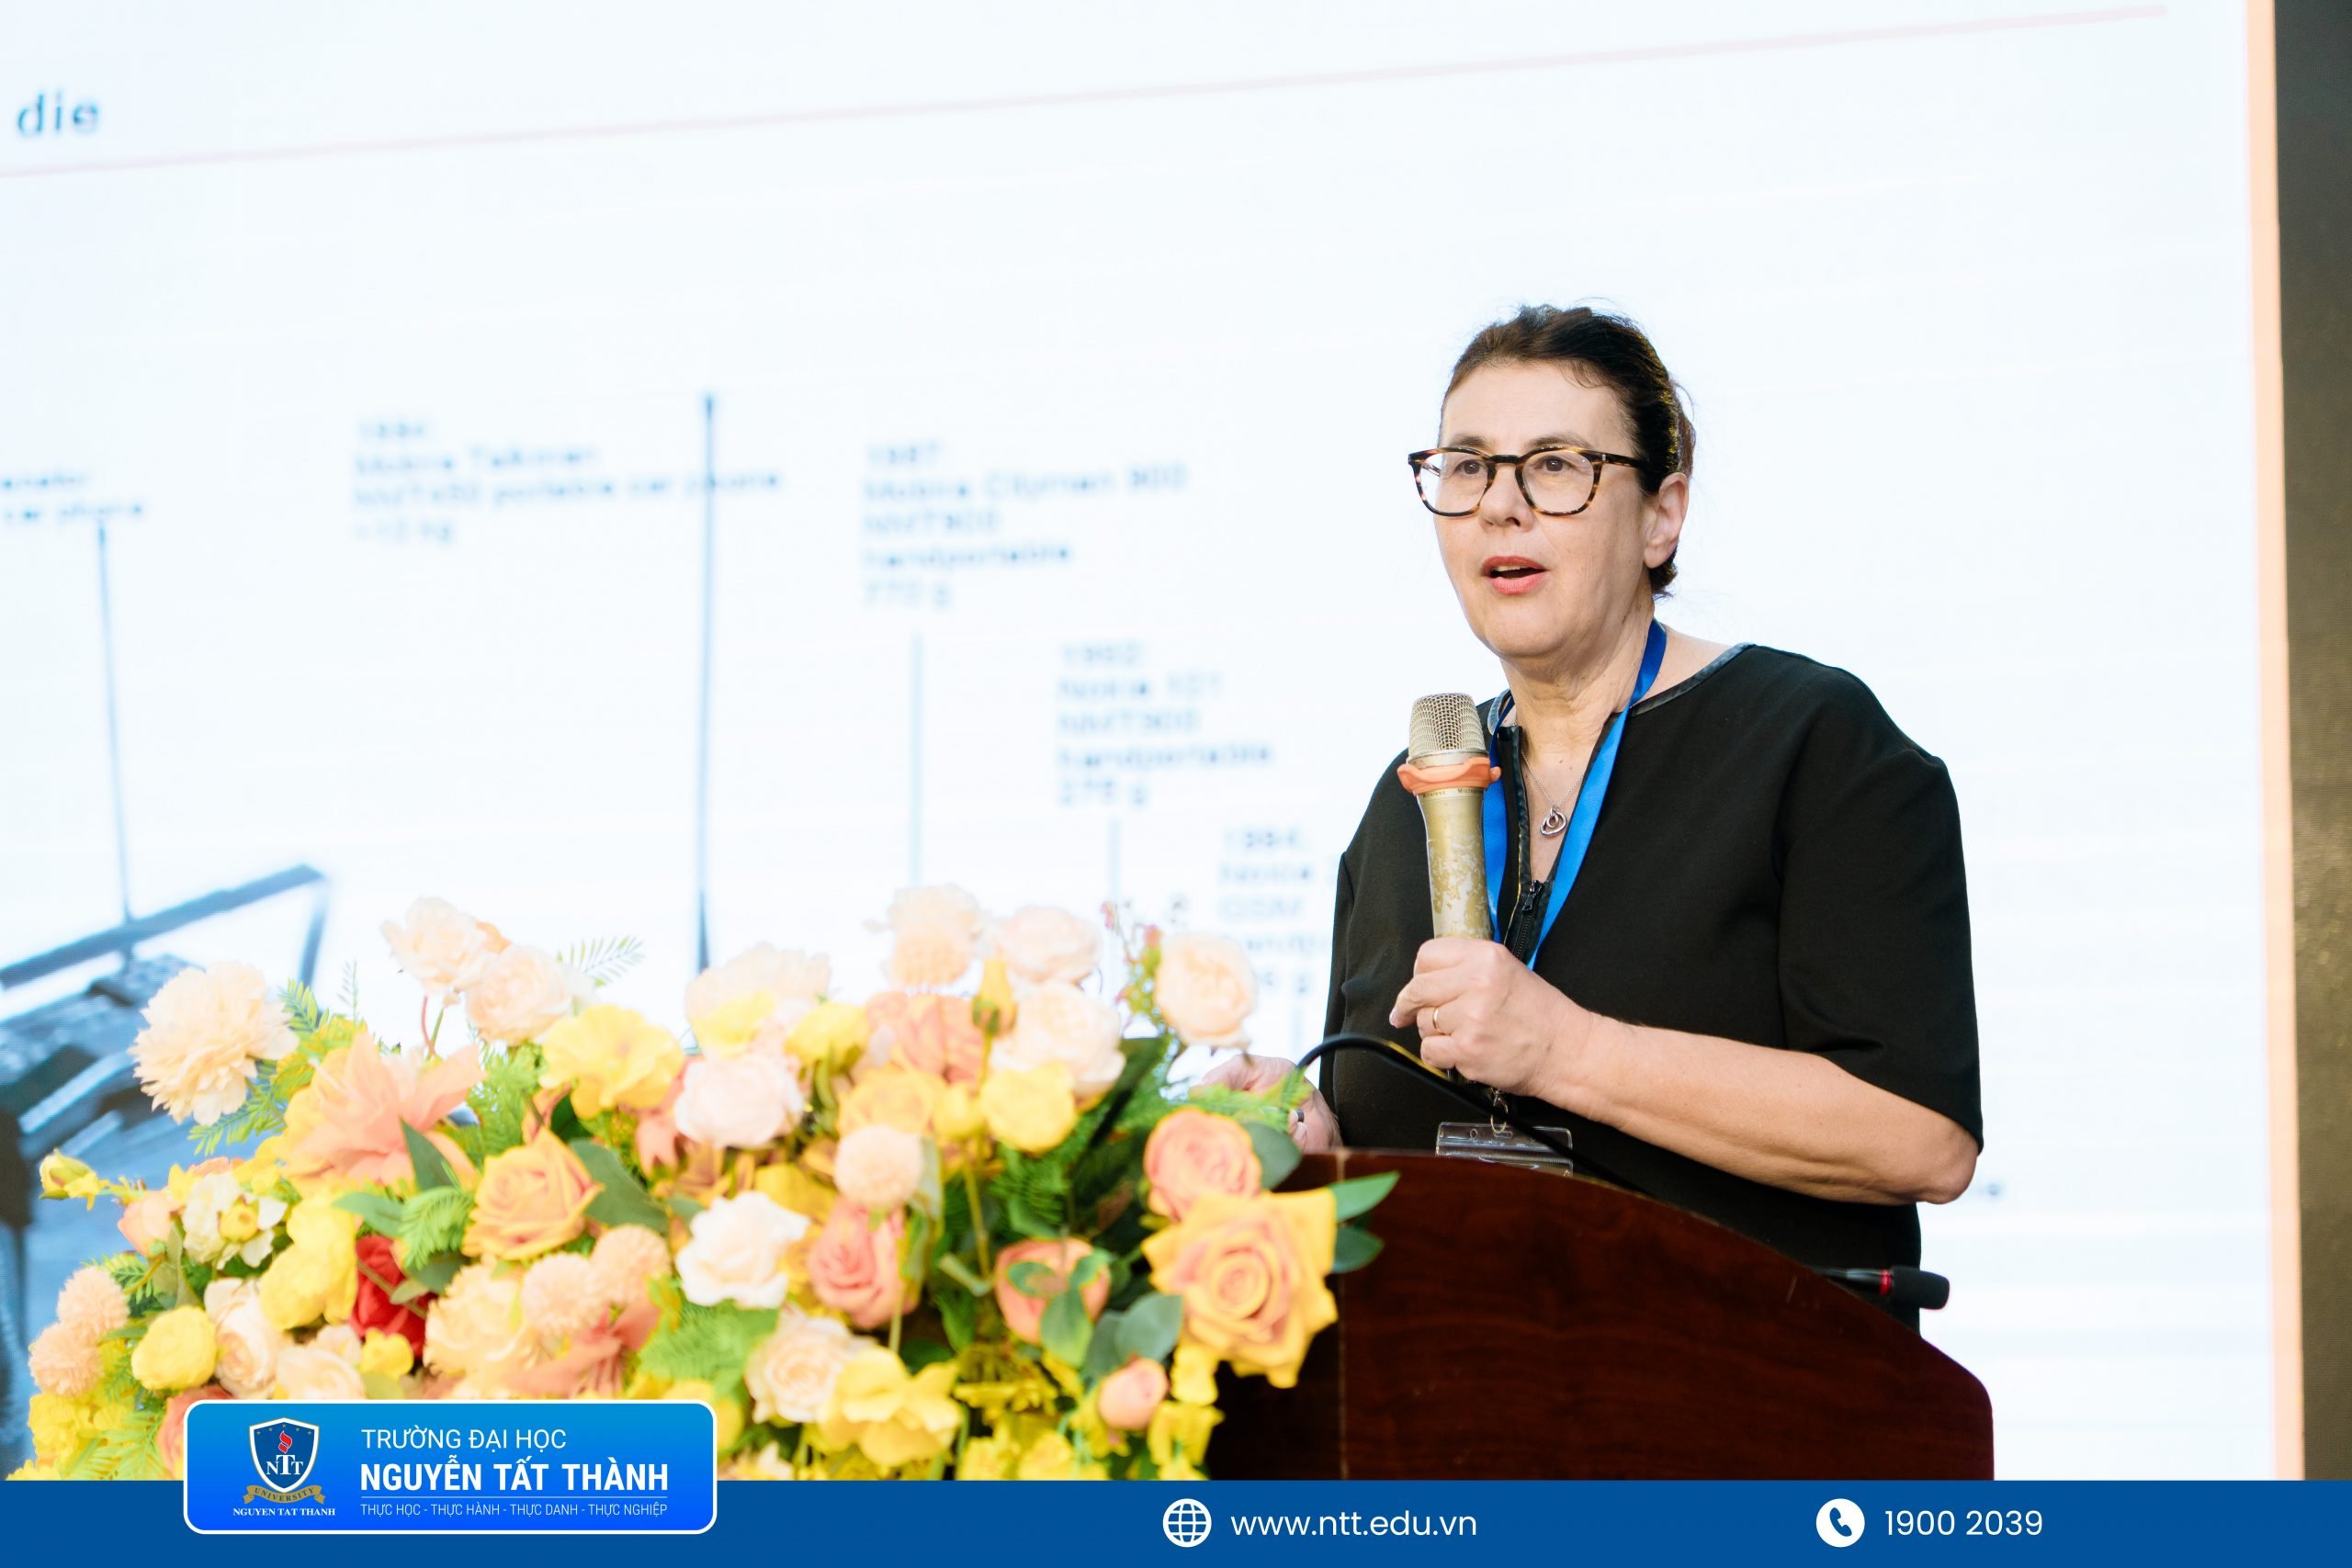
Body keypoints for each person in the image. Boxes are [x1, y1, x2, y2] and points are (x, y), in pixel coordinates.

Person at [1216, 304, 1981, 1304]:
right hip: (1452, 1381)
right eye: (1466, 466)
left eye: (1555, 466)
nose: (1500, 505)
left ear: (1663, 514)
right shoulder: (1409, 794)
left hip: (1736, 1379)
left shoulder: (1813, 744)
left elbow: (1921, 1137)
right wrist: (1315, 1138)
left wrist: (1563, 1050)